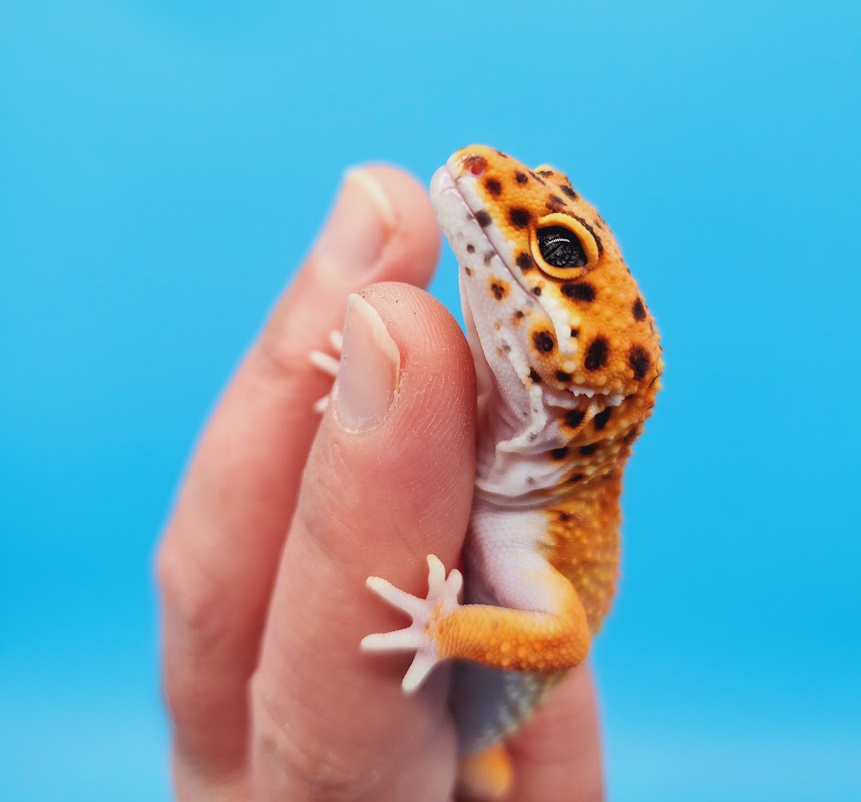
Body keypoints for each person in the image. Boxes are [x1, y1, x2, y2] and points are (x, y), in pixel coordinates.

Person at [156, 165, 605, 801]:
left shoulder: (539, 525)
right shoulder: (501, 429)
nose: (490, 174)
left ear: (587, 375)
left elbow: (560, 637)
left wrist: (451, 628)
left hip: (486, 748)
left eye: (558, 251)